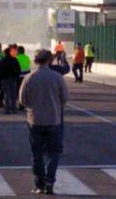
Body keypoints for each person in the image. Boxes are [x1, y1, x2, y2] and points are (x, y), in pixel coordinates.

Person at [19, 49, 69, 195]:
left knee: (37, 153)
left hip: (35, 120)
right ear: (50, 60)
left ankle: (39, 183)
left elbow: (22, 100)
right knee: (54, 152)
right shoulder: (57, 77)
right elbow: (65, 98)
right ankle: (49, 181)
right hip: (54, 119)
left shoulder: (29, 78)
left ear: (35, 61)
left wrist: (32, 106)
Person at [0, 45, 22, 113]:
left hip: (5, 79)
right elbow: (19, 70)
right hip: (13, 78)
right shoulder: (14, 60)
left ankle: (8, 110)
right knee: (13, 94)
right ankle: (13, 109)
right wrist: (16, 76)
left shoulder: (3, 60)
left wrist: (0, 78)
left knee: (6, 94)